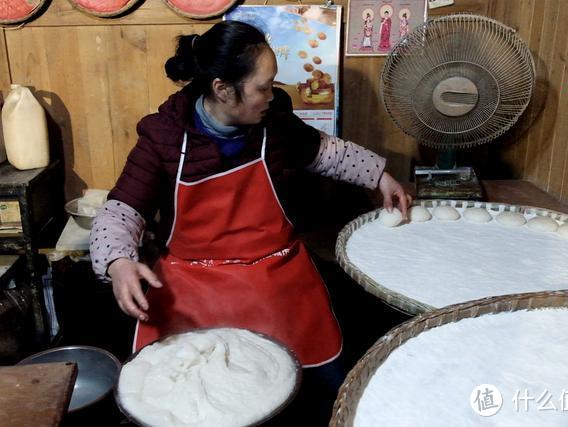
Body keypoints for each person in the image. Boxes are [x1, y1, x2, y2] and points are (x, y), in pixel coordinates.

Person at [89, 20, 410, 423]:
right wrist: (117, 262)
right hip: (194, 280)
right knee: (185, 398)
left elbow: (327, 153)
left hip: (275, 272)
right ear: (224, 89)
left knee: (321, 391)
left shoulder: (275, 124)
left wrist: (381, 177)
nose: (271, 95)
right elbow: (122, 209)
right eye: (262, 86)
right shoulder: (165, 137)